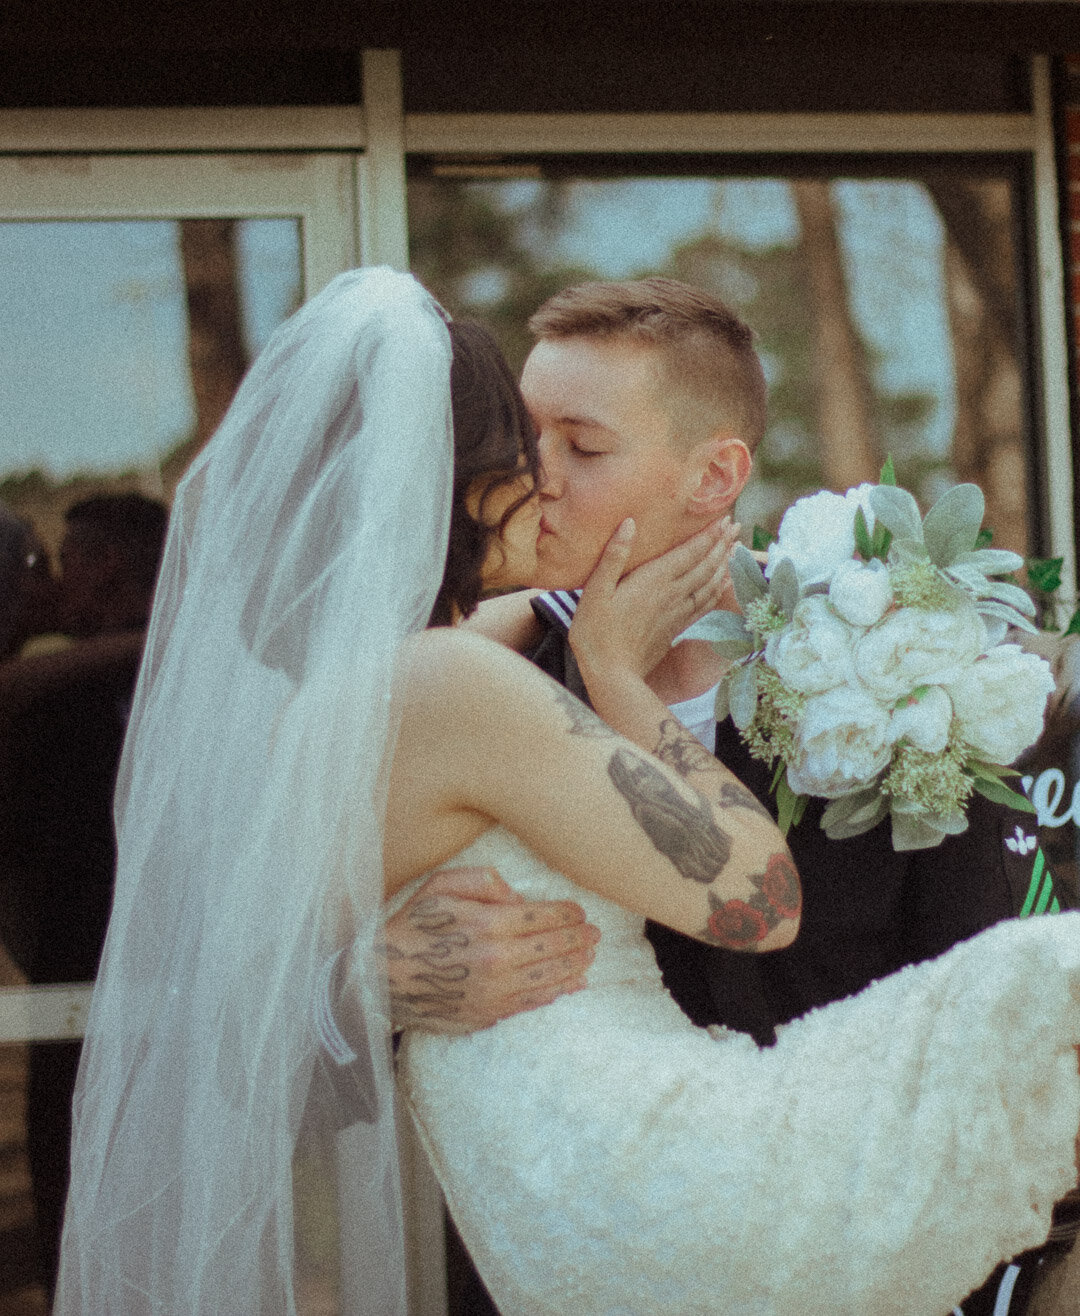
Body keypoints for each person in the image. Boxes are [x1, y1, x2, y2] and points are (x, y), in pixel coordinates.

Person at [56, 269, 1080, 1316]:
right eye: (522, 441)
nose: (539, 476)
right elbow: (222, 1018)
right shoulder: (480, 669)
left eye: (581, 447)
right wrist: (356, 986)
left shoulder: (895, 667)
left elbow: (975, 962)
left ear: (715, 476)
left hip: (879, 1260)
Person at [0, 492, 168, 1297]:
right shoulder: (48, 697)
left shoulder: (215, 674)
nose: (53, 582)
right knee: (76, 1229)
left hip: (178, 1018)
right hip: (71, 1013)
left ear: (102, 565)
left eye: (60, 560)